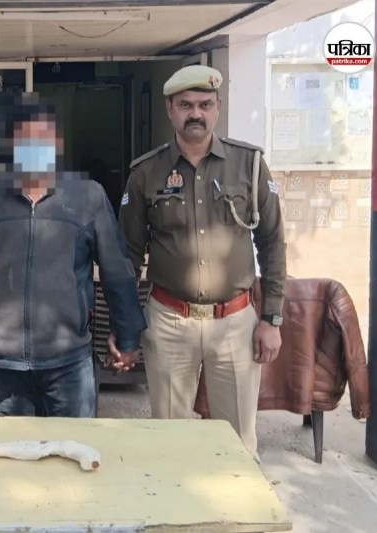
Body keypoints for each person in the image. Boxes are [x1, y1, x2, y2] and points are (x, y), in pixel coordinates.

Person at [118, 65, 286, 458]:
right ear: (170, 109)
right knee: (169, 442)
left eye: (205, 105)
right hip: (169, 321)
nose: (196, 113)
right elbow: (127, 254)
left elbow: (272, 242)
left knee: (238, 442)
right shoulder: (145, 172)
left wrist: (271, 318)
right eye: (186, 105)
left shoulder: (249, 165)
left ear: (218, 107)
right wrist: (125, 326)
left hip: (235, 323)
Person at [0, 93, 146, 418]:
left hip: (69, 358)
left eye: (42, 137)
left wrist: (128, 336)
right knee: (17, 446)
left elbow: (117, 270)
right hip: (4, 360)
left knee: (74, 445)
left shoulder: (87, 196)